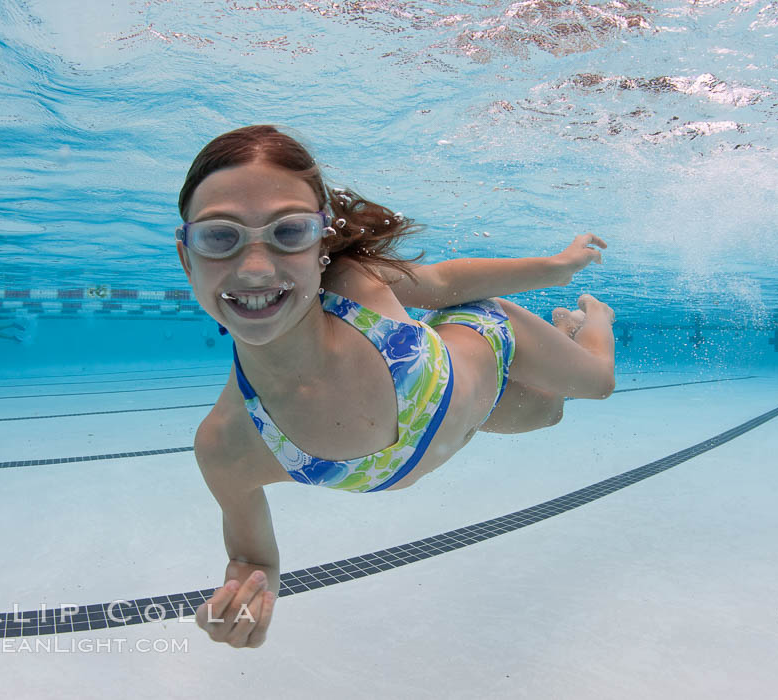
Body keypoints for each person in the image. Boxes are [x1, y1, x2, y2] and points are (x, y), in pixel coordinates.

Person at [176, 125, 616, 649]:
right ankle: (562, 332)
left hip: (494, 341)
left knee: (598, 383)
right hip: (466, 417)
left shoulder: (354, 283)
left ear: (320, 242)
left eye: (288, 232)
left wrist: (557, 267)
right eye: (219, 237)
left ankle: (591, 318)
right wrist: (243, 601)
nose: (253, 268)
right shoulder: (228, 444)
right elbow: (253, 561)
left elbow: (446, 282)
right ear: (187, 257)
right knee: (550, 414)